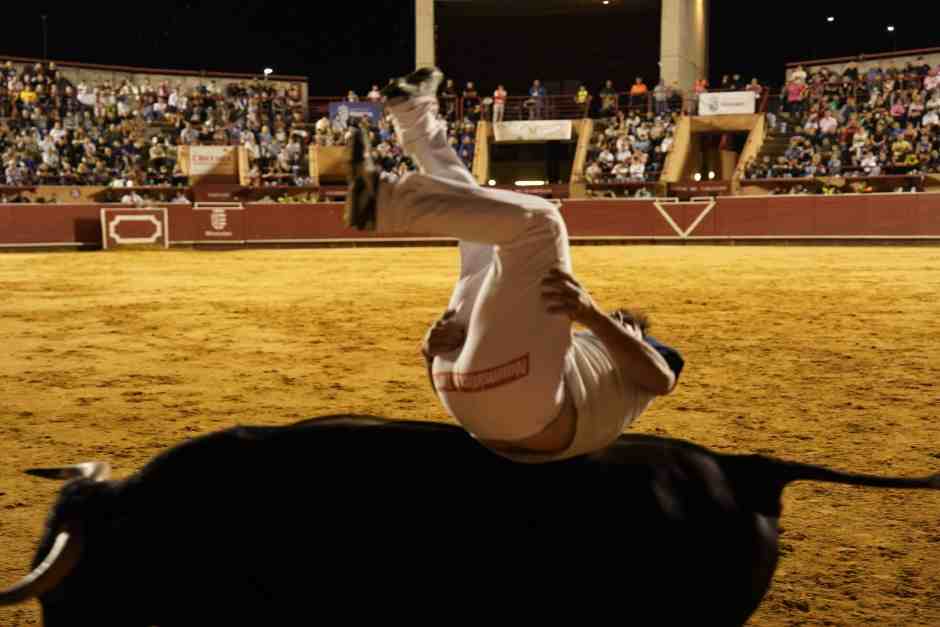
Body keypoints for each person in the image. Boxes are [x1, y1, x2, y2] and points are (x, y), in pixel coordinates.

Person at [343, 67, 684, 463]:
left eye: (625, 319)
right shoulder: (580, 348)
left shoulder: (646, 349)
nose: (617, 316)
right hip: (485, 399)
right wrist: (429, 352)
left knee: (543, 223)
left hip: (521, 408)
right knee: (482, 239)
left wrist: (595, 316)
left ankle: (386, 203)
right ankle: (413, 113)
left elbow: (660, 379)